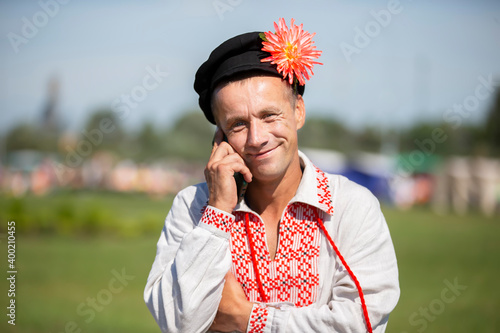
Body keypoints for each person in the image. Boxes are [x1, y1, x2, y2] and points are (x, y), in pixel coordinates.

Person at [144, 18, 400, 333]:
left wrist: (248, 319)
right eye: (238, 124)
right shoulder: (192, 207)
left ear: (298, 111)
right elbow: (178, 322)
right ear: (220, 138)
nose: (256, 138)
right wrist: (218, 211)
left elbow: (360, 325)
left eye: (269, 116)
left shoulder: (350, 207)